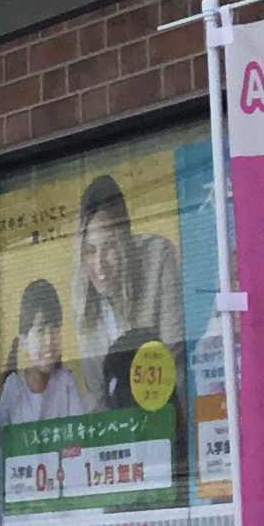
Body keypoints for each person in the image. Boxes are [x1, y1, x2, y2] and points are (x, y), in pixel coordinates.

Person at [68, 175, 184, 413]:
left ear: (125, 241)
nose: (99, 265)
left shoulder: (157, 257)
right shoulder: (82, 288)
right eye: (90, 251)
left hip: (164, 411)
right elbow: (95, 393)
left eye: (109, 247)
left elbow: (175, 358)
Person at [0, 277, 84, 429]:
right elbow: (1, 445)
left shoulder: (66, 383)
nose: (49, 340)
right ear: (24, 341)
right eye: (40, 331)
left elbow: (79, 436)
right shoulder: (13, 389)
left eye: (55, 327)